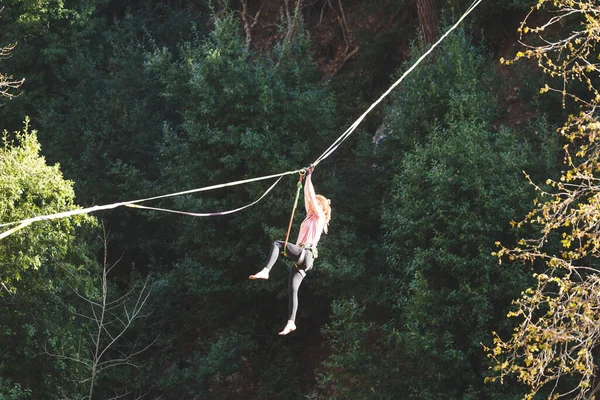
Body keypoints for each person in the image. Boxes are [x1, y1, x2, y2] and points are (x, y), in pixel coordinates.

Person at [249, 166, 331, 335]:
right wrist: (306, 179)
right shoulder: (310, 216)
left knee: (278, 244)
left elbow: (310, 197)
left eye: (314, 203)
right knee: (292, 289)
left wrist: (308, 177)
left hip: (306, 254)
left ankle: (266, 271)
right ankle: (291, 322)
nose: (309, 204)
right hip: (303, 261)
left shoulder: (320, 217)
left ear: (320, 207)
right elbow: (308, 198)